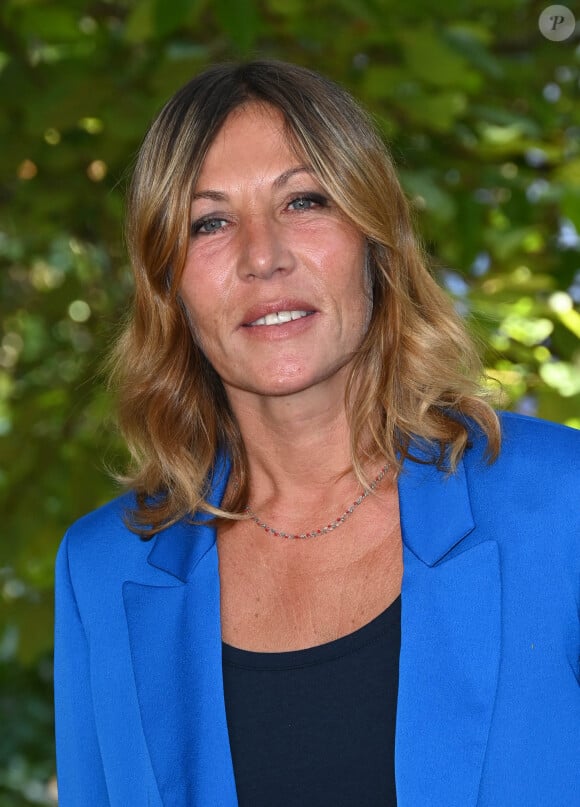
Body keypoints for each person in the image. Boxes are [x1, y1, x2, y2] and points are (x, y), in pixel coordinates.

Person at [53, 60, 580, 807]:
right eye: (210, 222)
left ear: (375, 235)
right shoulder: (101, 571)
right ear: (167, 284)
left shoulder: (562, 505)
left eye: (304, 200)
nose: (262, 256)